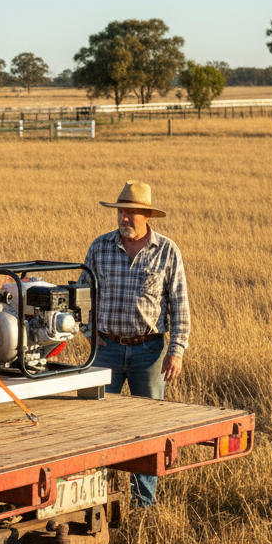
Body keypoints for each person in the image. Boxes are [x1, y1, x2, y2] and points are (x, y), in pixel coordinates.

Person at [80, 181, 190, 507]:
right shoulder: (99, 247)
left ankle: (142, 503)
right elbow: (82, 294)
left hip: (149, 352)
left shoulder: (167, 251)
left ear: (146, 215)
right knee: (97, 425)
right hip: (107, 350)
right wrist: (89, 332)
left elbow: (179, 304)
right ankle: (95, 499)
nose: (124, 217)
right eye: (121, 212)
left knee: (149, 429)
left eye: (130, 212)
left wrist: (177, 350)